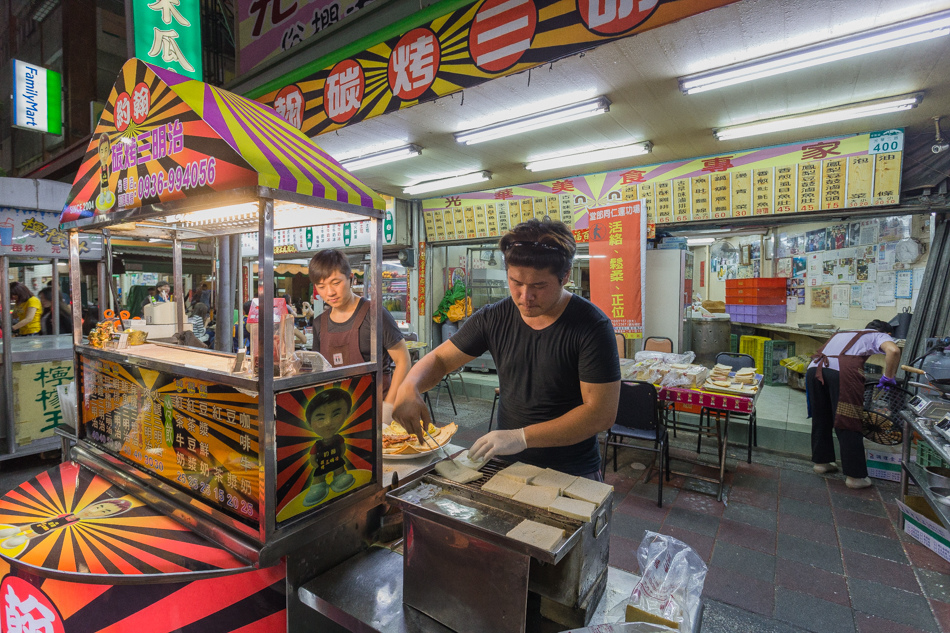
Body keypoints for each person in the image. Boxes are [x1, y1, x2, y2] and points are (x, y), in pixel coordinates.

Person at [393, 218, 621, 478]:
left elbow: (600, 413)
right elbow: (441, 360)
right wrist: (410, 386)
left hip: (571, 469)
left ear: (565, 276)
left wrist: (522, 437)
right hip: (507, 464)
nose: (525, 297)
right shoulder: (495, 317)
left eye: (538, 286)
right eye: (516, 283)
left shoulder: (591, 325)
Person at [308, 250, 410, 426]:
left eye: (336, 282)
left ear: (351, 278)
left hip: (376, 409)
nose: (330, 292)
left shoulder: (375, 314)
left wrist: (388, 406)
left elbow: (403, 360)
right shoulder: (319, 324)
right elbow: (318, 373)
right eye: (321, 286)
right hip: (336, 418)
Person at [807, 320, 901, 489]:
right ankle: (855, 477)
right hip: (840, 373)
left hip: (814, 369)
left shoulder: (845, 332)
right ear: (887, 335)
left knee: (822, 417)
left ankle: (821, 463)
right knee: (848, 417)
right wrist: (889, 377)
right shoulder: (879, 335)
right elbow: (893, 351)